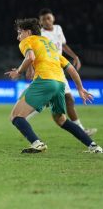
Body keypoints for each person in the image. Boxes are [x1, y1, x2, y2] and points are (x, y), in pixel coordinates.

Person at [5, 18, 102, 153]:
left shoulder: (27, 41)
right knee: (61, 119)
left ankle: (37, 143)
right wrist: (80, 88)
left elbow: (30, 57)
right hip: (60, 84)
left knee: (16, 116)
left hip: (45, 82)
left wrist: (18, 72)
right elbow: (71, 69)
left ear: (28, 32)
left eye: (19, 32)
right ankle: (94, 146)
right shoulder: (50, 45)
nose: (18, 37)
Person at [37, 8, 97, 136]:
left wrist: (74, 56)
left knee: (69, 100)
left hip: (59, 68)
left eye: (48, 18)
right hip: (49, 69)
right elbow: (36, 53)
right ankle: (22, 116)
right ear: (40, 23)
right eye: (43, 20)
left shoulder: (58, 29)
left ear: (53, 17)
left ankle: (80, 129)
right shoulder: (41, 34)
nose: (47, 21)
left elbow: (63, 45)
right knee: (66, 100)